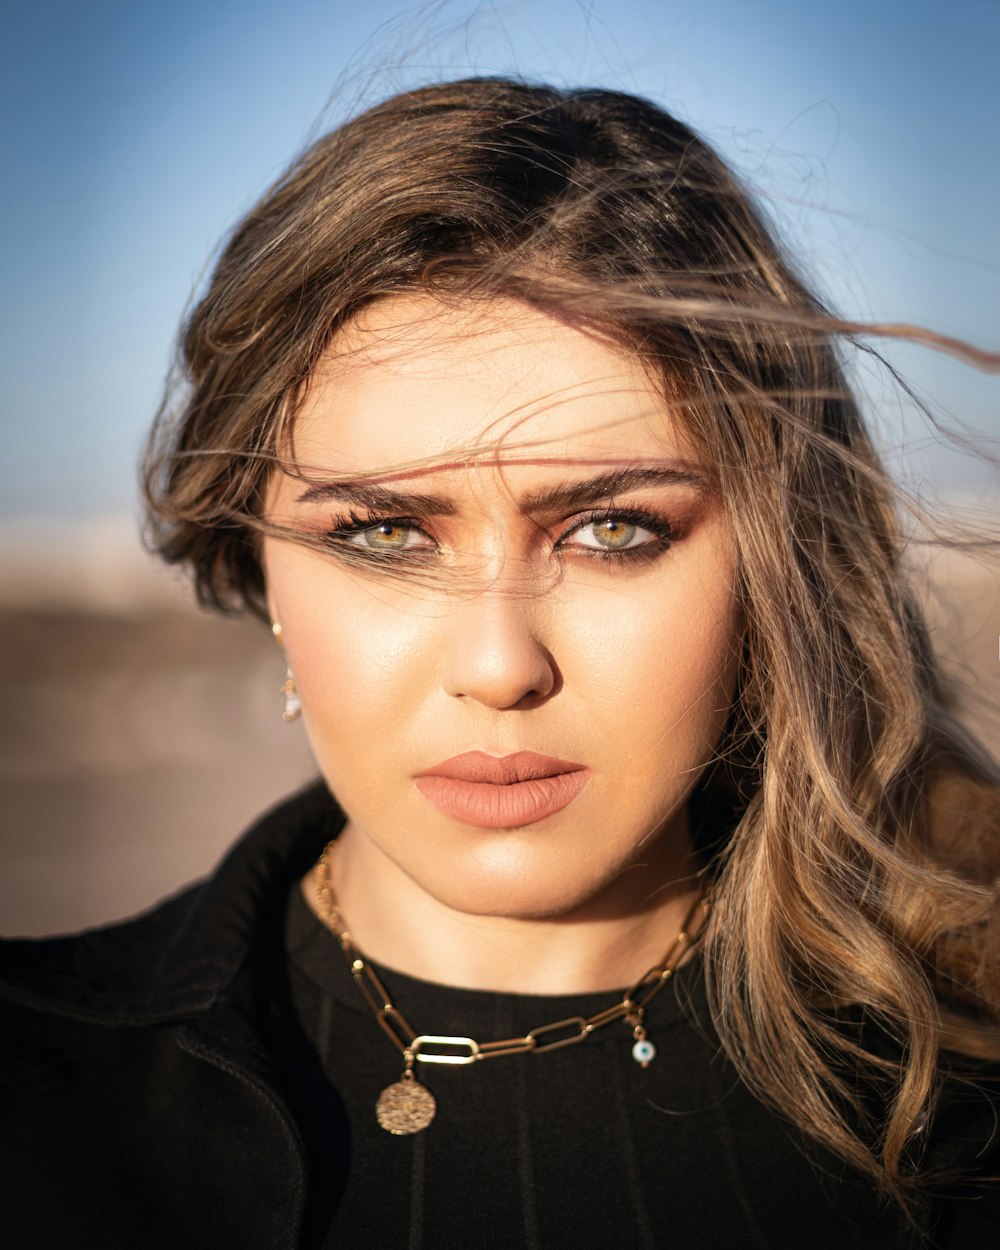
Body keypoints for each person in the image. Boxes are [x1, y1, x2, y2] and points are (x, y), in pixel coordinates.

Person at [1, 77, 998, 1249]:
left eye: (611, 528)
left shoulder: (959, 1116)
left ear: (773, 570)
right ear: (257, 568)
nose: (497, 663)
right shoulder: (34, 1100)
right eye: (382, 534)